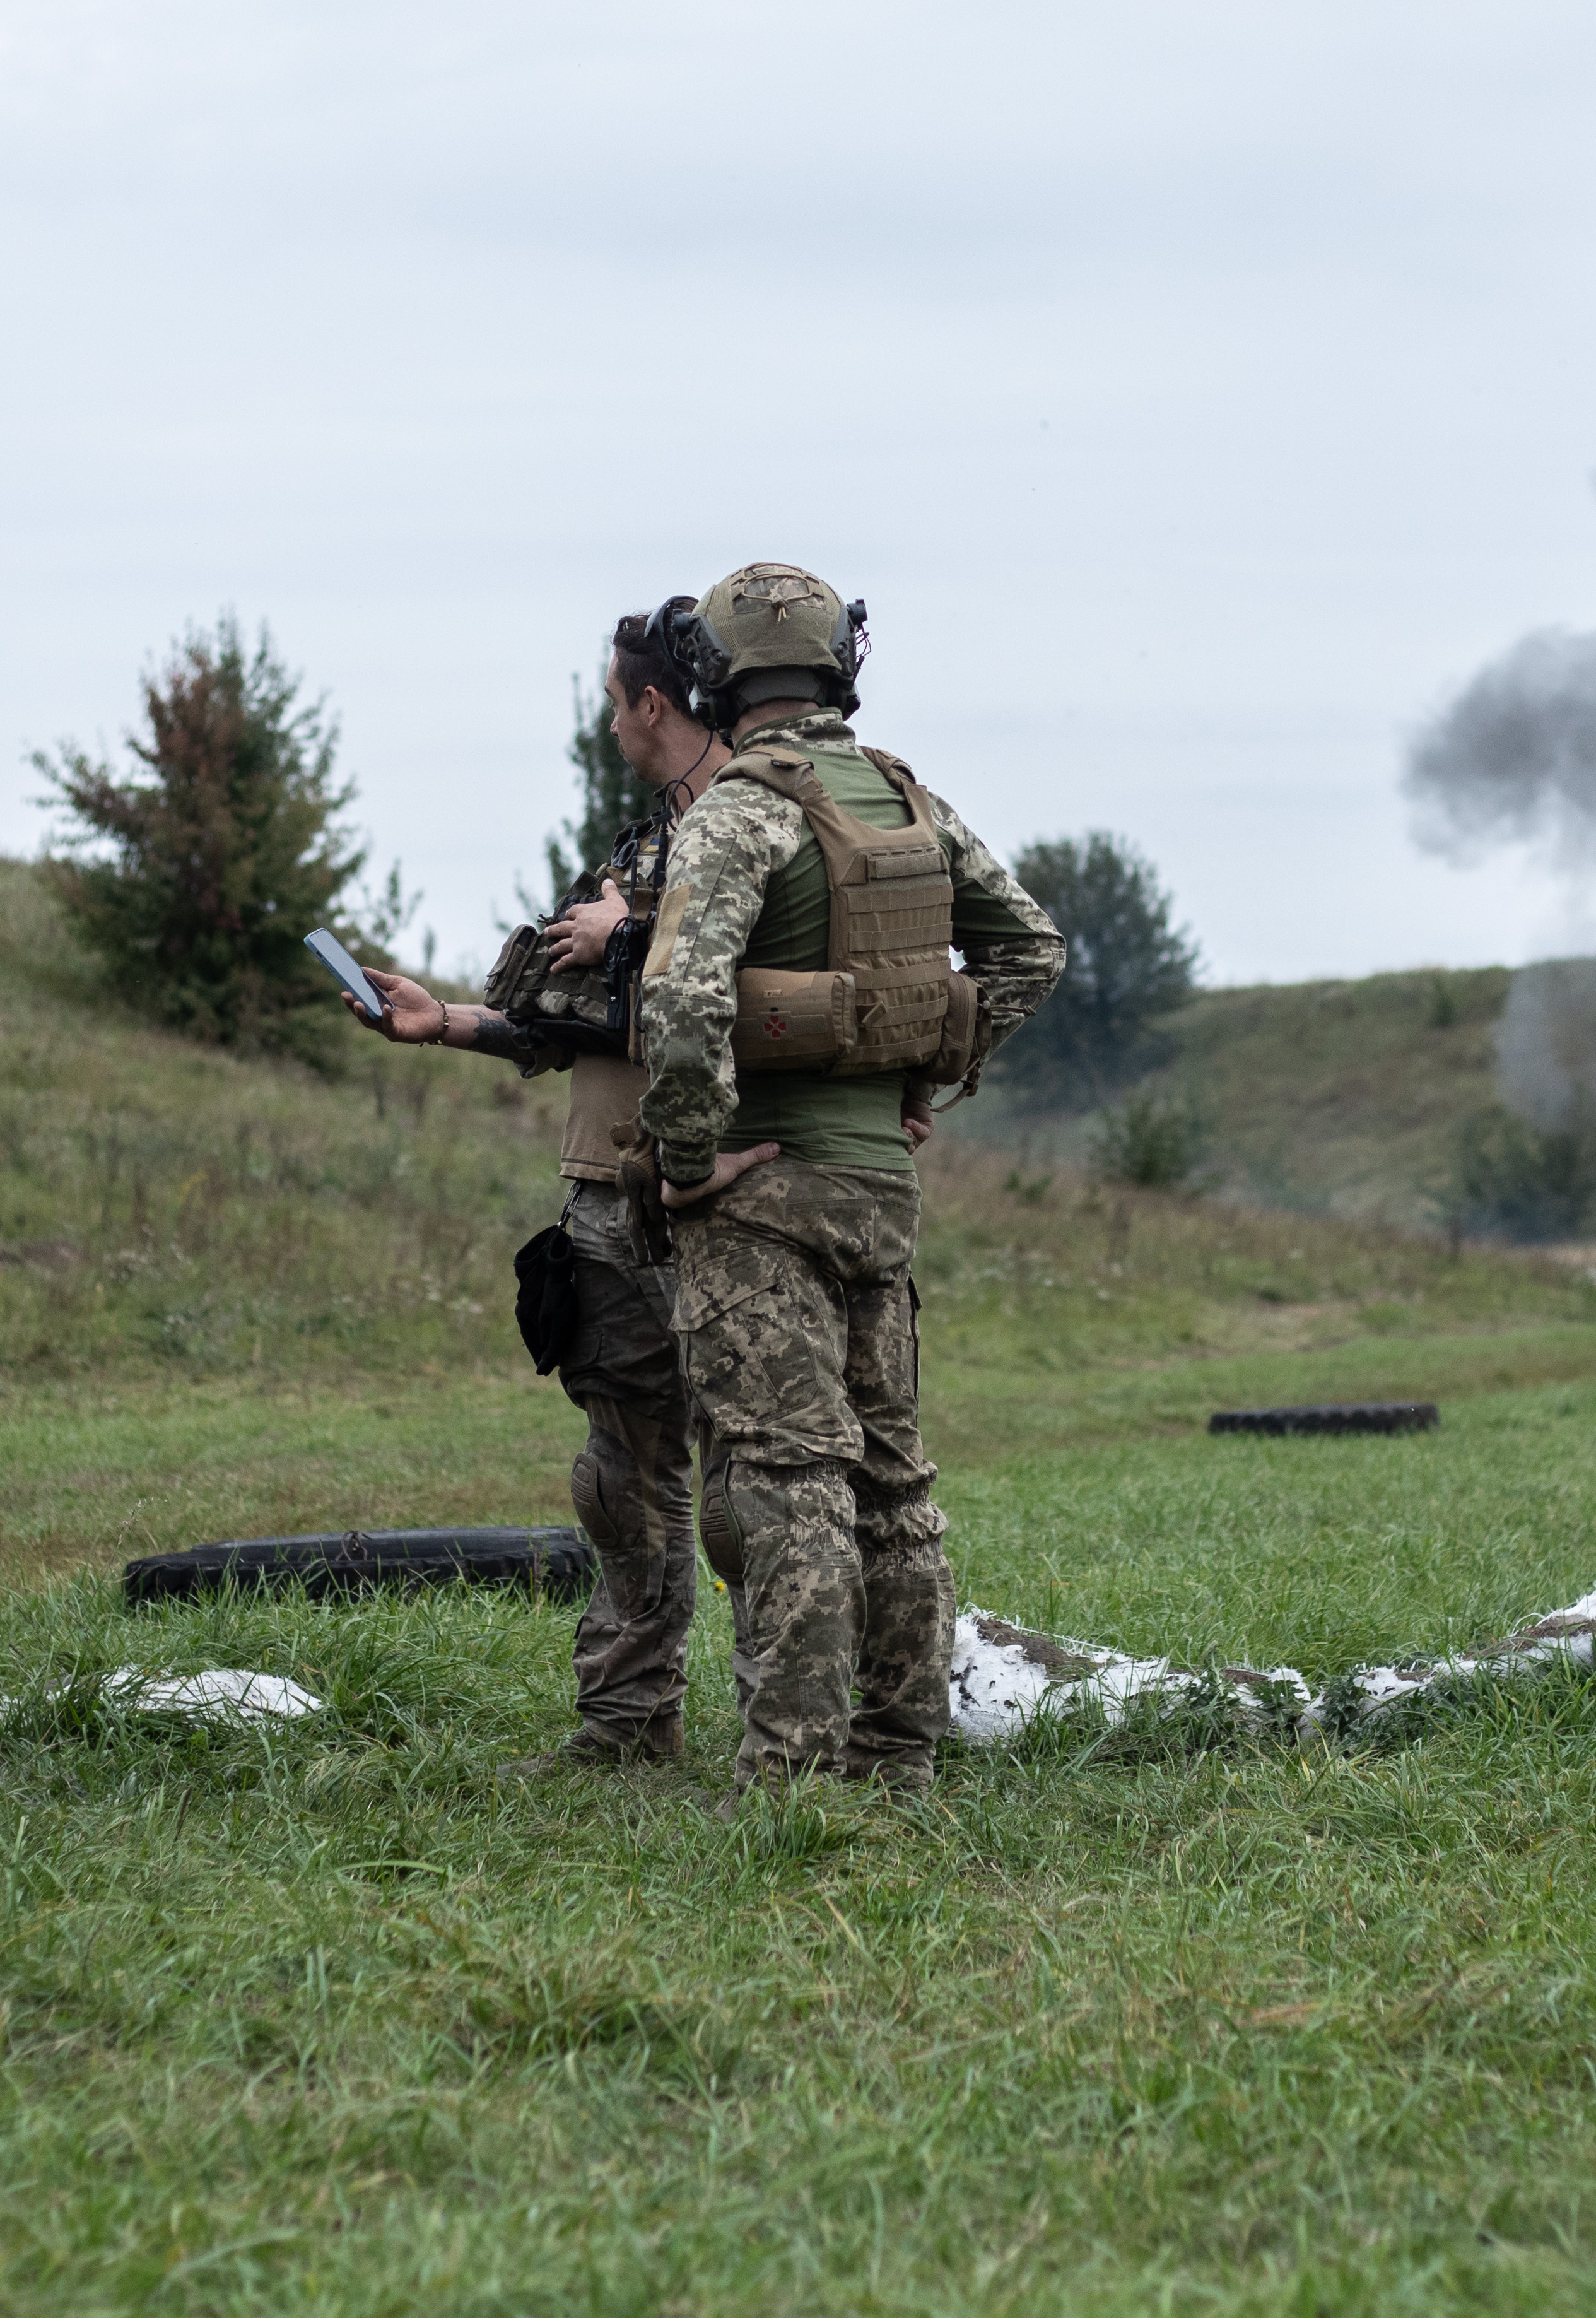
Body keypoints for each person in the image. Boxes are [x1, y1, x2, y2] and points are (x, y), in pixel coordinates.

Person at [629, 565, 1063, 1792]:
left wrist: (692, 1153)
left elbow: (680, 993)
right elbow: (1028, 947)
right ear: (841, 667)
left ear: (715, 676)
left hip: (760, 1197)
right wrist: (930, 1070)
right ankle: (897, 1756)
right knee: (893, 1482)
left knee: (785, 1479)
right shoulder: (904, 800)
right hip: (878, 1193)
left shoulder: (741, 808)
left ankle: (797, 1774)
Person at [344, 616, 725, 1767]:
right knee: (621, 1477)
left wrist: (637, 933)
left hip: (732, 1194)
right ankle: (624, 1723)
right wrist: (443, 1020)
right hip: (612, 1199)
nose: (610, 724)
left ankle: (805, 1732)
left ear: (652, 703)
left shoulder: (761, 826)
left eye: (616, 701)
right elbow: (582, 1019)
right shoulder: (641, 844)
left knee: (764, 1486)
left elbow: (763, 976)